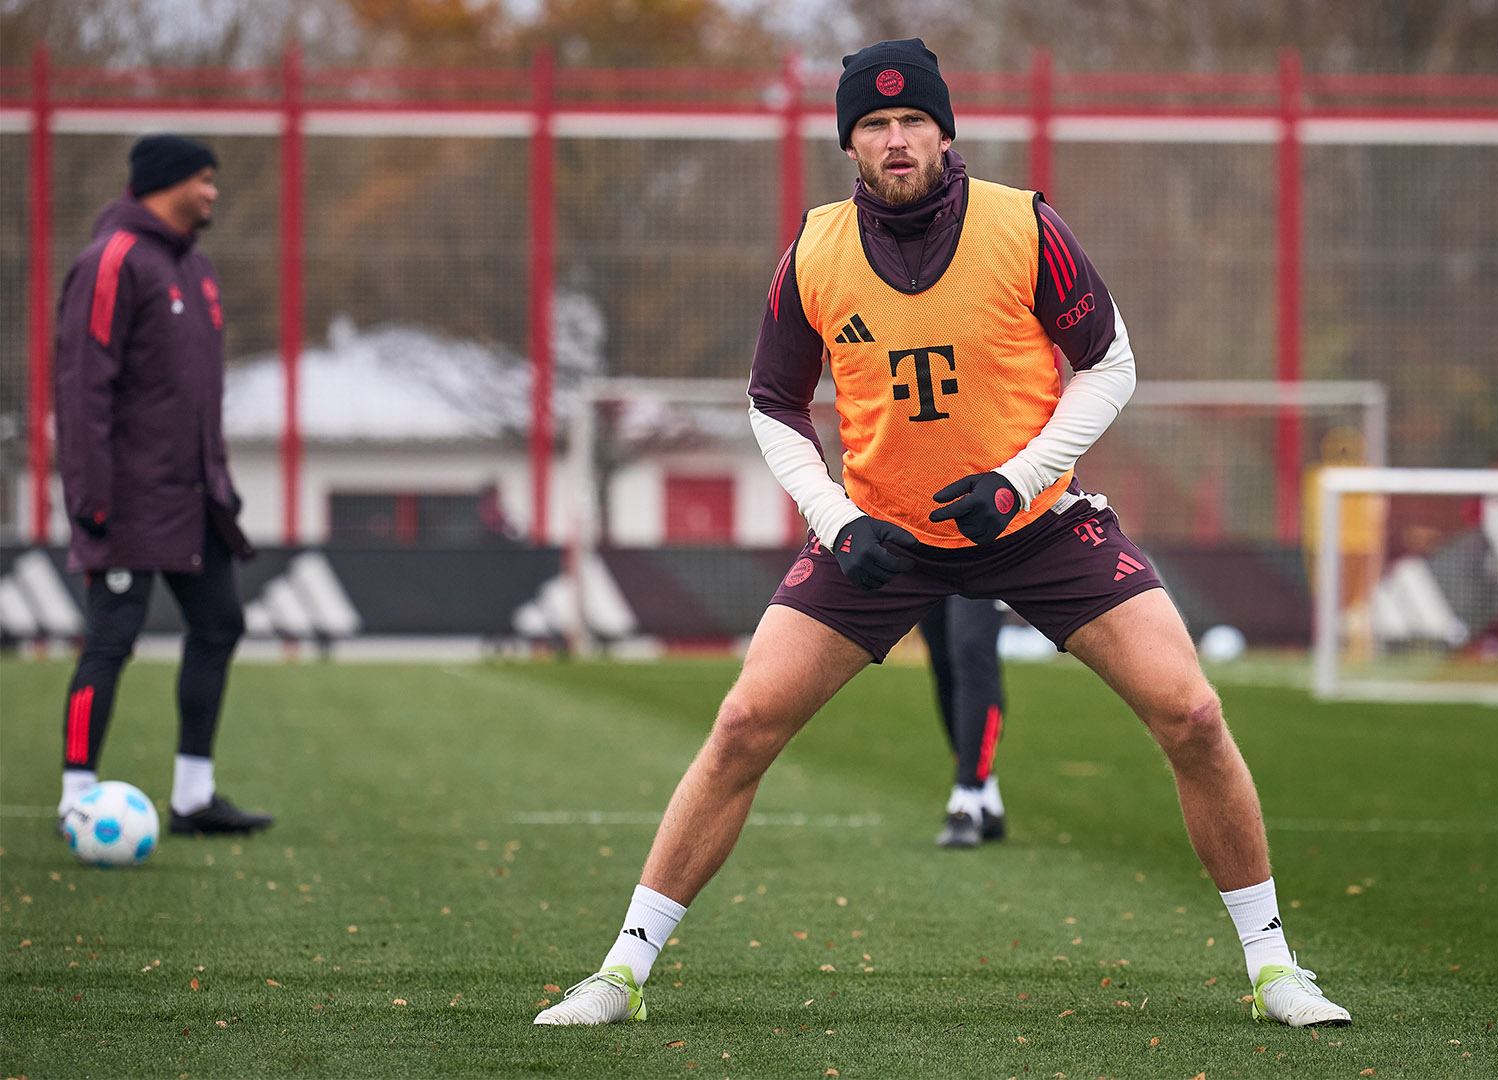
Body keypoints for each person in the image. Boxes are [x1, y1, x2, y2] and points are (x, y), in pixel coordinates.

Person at [535, 38, 1350, 1029]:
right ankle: (620, 972)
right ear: (851, 145)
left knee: (1195, 716)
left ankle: (1273, 967)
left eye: (912, 119)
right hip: (881, 535)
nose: (896, 140)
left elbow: (1111, 363)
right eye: (874, 126)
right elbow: (771, 403)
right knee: (744, 724)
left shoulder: (1025, 224)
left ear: (944, 128)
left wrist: (1020, 479)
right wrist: (835, 518)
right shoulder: (815, 250)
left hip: (1036, 524)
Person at [53, 134, 271, 838]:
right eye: (204, 179)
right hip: (125, 500)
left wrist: (221, 481)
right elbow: (84, 388)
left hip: (192, 499)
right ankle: (75, 797)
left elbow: (199, 394)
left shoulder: (197, 270)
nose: (213, 191)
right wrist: (89, 497)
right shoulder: (110, 261)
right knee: (110, 641)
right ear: (167, 182)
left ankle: (192, 796)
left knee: (220, 624)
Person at [920, 595, 1007, 848]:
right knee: (943, 658)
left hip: (989, 557)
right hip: (931, 557)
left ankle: (967, 796)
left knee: (972, 649)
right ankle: (986, 794)